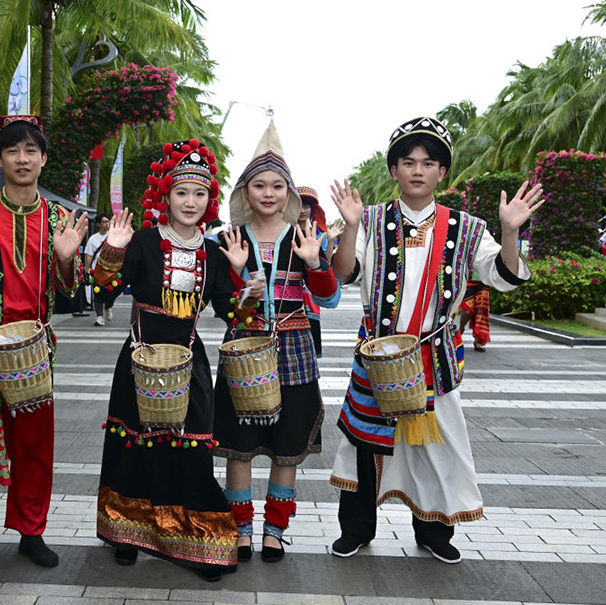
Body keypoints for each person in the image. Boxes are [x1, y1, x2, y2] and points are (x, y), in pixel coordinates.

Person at [328, 117, 544, 564]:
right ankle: (356, 529)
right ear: (394, 170)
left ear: (442, 172)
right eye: (408, 161)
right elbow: (344, 273)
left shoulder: (465, 228)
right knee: (363, 444)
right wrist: (349, 228)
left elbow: (502, 276)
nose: (418, 170)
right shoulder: (368, 219)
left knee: (437, 445)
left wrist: (509, 232)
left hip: (434, 359)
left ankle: (433, 532)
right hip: (377, 356)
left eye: (429, 162)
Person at [94, 139, 263, 581]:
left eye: (200, 193)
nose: (191, 202)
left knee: (190, 449)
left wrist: (245, 282)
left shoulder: (213, 250)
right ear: (165, 196)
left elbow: (233, 314)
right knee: (134, 446)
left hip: (190, 361)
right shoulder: (145, 241)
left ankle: (196, 538)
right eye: (182, 192)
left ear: (210, 200)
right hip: (139, 358)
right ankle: (128, 536)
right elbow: (103, 292)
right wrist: (112, 249)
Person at [0, 115, 85, 575]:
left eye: (31, 151)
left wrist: (68, 259)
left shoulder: (59, 219)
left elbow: (70, 289)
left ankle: (32, 531)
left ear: (44, 159)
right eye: (13, 151)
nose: (22, 158)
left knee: (34, 446)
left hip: (32, 349)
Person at [213, 121, 340, 563]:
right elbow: (226, 308)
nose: (268, 193)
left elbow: (329, 297)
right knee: (239, 443)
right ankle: (240, 528)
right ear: (244, 192)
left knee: (288, 443)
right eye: (259, 185)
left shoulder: (307, 237)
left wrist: (315, 262)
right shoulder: (229, 239)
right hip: (244, 349)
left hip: (295, 348)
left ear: (290, 192)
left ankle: (275, 530)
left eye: (277, 185)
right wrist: (240, 279)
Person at [296, 187, 342, 357]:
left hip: (310, 293)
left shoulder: (320, 234)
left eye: (307, 206)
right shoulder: (283, 232)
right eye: (299, 205)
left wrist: (330, 241)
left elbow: (326, 267)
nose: (302, 210)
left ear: (313, 209)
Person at [86, 213, 114, 325]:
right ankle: (99, 316)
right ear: (98, 224)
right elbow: (89, 256)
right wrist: (87, 271)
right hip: (97, 271)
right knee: (97, 293)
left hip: (111, 271)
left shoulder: (113, 237)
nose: (107, 224)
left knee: (112, 293)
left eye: (108, 221)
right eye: (104, 222)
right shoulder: (93, 239)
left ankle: (108, 306)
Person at [458, 279, 490, 351]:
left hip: (483, 280)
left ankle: (478, 341)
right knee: (467, 310)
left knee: (481, 310)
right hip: (468, 280)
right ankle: (461, 329)